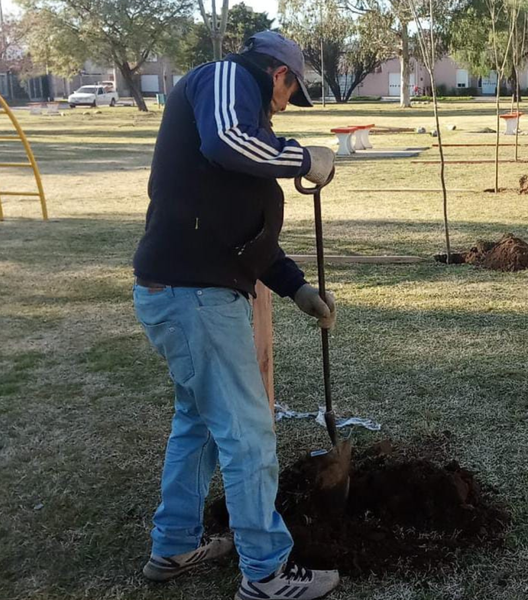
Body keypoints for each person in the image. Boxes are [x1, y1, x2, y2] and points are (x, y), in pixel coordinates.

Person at [131, 31, 340, 600]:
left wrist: (296, 288)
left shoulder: (238, 126)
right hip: (194, 296)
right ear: (278, 74)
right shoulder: (226, 79)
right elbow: (228, 141)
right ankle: (266, 573)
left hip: (184, 291)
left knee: (198, 423)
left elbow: (242, 234)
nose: (283, 108)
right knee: (248, 431)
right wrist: (304, 157)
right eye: (289, 93)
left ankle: (174, 545)